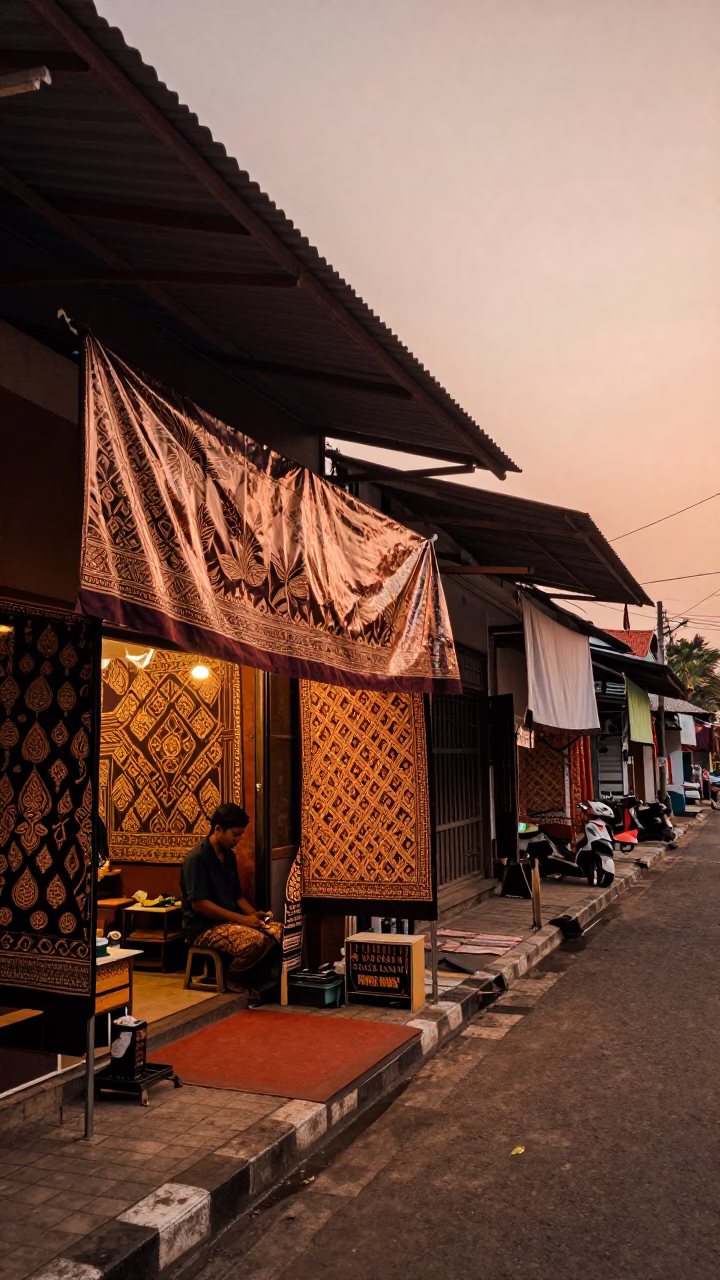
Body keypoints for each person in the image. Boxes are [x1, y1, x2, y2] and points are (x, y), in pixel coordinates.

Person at [180, 802, 282, 1001]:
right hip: (202, 927)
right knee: (253, 941)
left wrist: (254, 915)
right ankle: (233, 980)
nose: (238, 839)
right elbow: (200, 904)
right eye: (235, 834)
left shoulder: (229, 856)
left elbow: (237, 897)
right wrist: (242, 920)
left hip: (229, 921)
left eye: (241, 834)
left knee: (277, 930)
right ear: (218, 829)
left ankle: (258, 982)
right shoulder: (196, 858)